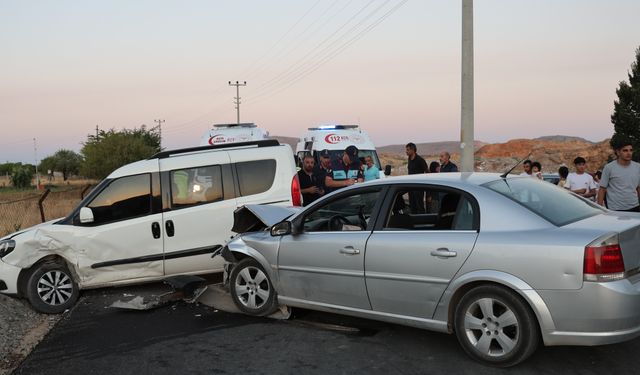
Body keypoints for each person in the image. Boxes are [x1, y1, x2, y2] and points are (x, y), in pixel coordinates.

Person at [597, 140, 640, 211]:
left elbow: (638, 188)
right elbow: (602, 189)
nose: (629, 153)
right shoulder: (609, 168)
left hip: (635, 206)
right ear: (618, 152)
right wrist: (599, 209)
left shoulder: (637, 167)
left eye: (631, 150)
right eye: (625, 150)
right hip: (615, 209)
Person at [405, 142, 428, 213]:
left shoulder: (420, 160)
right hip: (411, 187)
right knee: (412, 205)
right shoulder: (409, 159)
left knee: (420, 206)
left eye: (408, 150)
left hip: (418, 187)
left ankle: (422, 221)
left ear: (413, 150)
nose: (406, 151)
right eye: (406, 150)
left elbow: (427, 172)